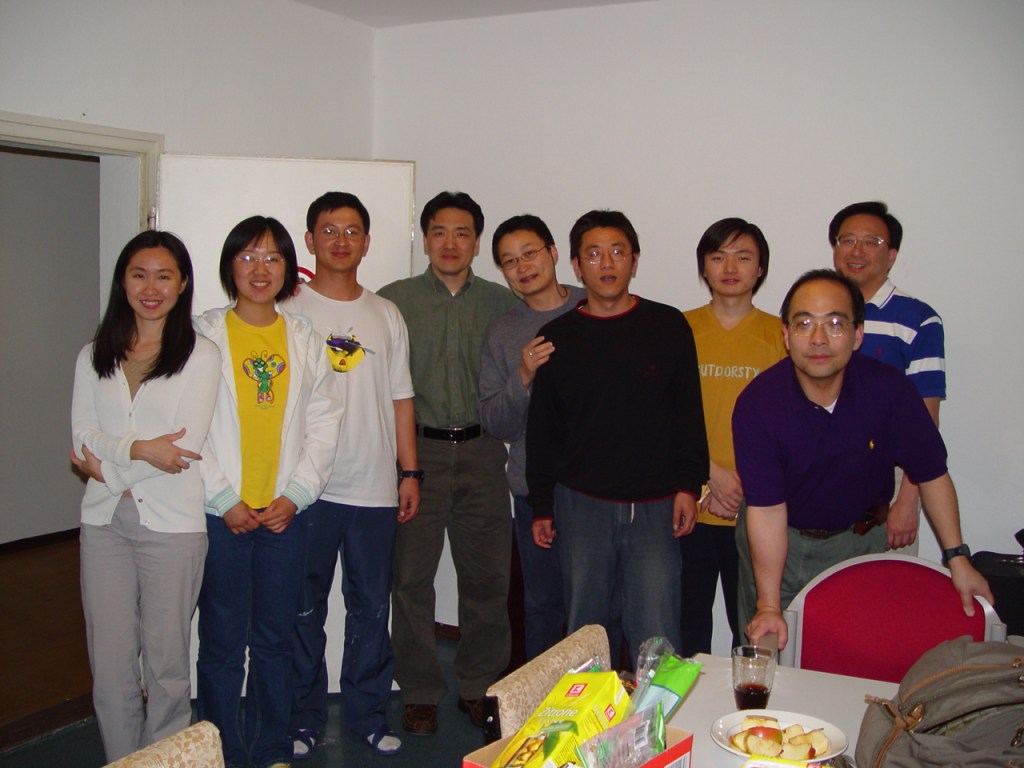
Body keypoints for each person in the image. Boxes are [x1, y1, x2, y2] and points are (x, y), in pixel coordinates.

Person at [733, 269, 992, 649]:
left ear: (858, 335)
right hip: (781, 544)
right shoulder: (759, 404)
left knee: (855, 653)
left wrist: (958, 558)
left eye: (835, 323)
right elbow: (768, 510)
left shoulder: (890, 391)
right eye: (804, 323)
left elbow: (932, 473)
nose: (818, 338)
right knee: (769, 652)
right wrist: (769, 606)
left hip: (861, 542)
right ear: (786, 335)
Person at [525, 209, 708, 657]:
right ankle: (588, 707)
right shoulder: (556, 337)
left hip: (656, 508)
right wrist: (542, 504)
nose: (606, 264)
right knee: (584, 635)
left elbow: (688, 413)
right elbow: (544, 429)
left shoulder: (668, 326)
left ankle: (656, 706)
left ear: (635, 260)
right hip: (581, 507)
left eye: (617, 252)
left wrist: (689, 486)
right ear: (576, 265)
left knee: (658, 635)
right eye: (593, 254)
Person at [194, 216, 342, 768]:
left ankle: (270, 749)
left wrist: (297, 494)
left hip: (285, 516)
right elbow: (190, 427)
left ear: (288, 269)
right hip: (222, 517)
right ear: (230, 265)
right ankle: (222, 752)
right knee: (222, 644)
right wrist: (223, 500)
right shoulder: (202, 336)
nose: (260, 269)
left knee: (276, 640)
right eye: (248, 257)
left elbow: (326, 420)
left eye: (272, 258)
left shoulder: (304, 337)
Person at [70, 231, 221, 762]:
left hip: (173, 530)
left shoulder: (201, 355)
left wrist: (110, 470)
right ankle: (122, 759)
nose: (150, 288)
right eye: (139, 275)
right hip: (103, 527)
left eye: (163, 276)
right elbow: (82, 437)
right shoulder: (94, 355)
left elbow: (182, 449)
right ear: (123, 282)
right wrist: (139, 449)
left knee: (166, 667)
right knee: (111, 664)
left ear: (182, 284)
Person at [377, 192, 518, 735]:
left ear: (477, 242)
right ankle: (418, 690)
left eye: (462, 233)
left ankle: (480, 685)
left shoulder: (503, 304)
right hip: (419, 454)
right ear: (424, 239)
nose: (450, 243)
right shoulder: (394, 302)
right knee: (411, 579)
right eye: (439, 232)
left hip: (484, 452)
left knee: (487, 579)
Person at [286, 192, 418, 758]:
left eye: (352, 231)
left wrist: (409, 472)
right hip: (304, 491)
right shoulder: (287, 308)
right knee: (302, 611)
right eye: (329, 229)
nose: (341, 240)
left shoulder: (385, 314)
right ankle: (302, 718)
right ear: (309, 240)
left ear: (366, 242)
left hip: (373, 490)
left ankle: (367, 714)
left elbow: (401, 398)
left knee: (370, 609)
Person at [478, 214, 586, 660]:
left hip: (596, 491)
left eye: (530, 254)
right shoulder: (503, 331)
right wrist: (523, 374)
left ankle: (597, 699)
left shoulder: (592, 306)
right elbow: (496, 423)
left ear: (554, 253)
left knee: (596, 607)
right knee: (542, 606)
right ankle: (541, 701)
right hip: (533, 492)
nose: (522, 267)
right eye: (509, 261)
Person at [680, 218, 785, 656]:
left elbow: (791, 426)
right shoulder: (678, 329)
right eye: (718, 256)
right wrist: (708, 475)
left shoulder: (782, 335)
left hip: (755, 512)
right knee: (686, 631)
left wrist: (746, 488)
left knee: (753, 632)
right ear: (703, 266)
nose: (729, 268)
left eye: (743, 257)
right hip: (689, 507)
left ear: (760, 269)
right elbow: (659, 417)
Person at [830, 201, 944, 552]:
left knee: (884, 583)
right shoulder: (817, 314)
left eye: (871, 242)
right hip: (822, 470)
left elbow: (926, 420)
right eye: (847, 240)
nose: (857, 251)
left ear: (892, 255)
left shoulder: (918, 319)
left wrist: (909, 499)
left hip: (891, 477)